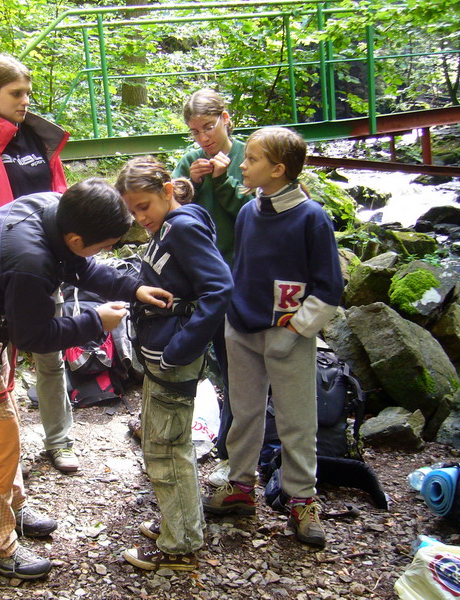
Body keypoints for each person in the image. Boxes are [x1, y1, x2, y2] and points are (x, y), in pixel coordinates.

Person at [0, 178, 173, 579]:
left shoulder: (55, 206)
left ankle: (11, 509)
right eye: (105, 244)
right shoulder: (30, 260)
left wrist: (134, 287)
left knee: (5, 429)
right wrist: (94, 321)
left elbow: (80, 266)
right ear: (73, 236)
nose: (107, 252)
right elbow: (32, 335)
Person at [202, 127, 344, 549]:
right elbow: (241, 269)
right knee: (243, 412)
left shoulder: (312, 218)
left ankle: (302, 500)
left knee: (296, 420)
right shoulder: (248, 212)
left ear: (278, 170)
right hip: (241, 329)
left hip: (288, 336)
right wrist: (231, 314)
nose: (242, 164)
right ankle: (240, 487)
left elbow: (329, 288)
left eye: (252, 159)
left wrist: (297, 330)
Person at [0, 54, 79, 473]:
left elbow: (59, 196)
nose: (25, 101)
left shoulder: (40, 138)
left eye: (27, 92)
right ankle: (0, 447)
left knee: (51, 353)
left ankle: (60, 442)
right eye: (16, 93)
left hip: (43, 263)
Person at [115, 157, 233, 571]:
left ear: (167, 191)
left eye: (144, 205)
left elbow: (219, 289)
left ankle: (180, 544)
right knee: (160, 442)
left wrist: (179, 348)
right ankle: (179, 523)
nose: (139, 217)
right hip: (161, 353)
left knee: (167, 448)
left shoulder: (182, 227)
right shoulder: (169, 227)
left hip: (173, 357)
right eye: (132, 210)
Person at [172, 89, 253, 474]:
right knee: (191, 356)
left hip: (237, 273)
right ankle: (178, 435)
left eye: (208, 127)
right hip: (195, 278)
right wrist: (191, 182)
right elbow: (172, 209)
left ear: (225, 117)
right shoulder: (191, 159)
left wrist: (221, 183)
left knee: (233, 361)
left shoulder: (247, 156)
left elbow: (251, 215)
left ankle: (232, 446)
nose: (203, 138)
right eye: (194, 131)